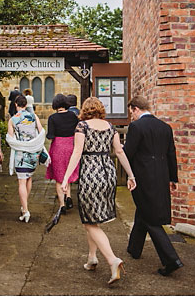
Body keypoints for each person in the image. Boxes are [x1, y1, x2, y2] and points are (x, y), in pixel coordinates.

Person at [61, 96, 136, 285]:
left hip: (90, 175)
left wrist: (66, 178)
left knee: (89, 222)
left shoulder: (82, 127)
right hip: (108, 174)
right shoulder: (110, 127)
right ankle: (92, 258)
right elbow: (119, 152)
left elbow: (77, 153)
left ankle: (112, 260)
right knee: (93, 219)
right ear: (101, 110)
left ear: (85, 111)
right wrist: (131, 175)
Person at [124, 95, 182, 277]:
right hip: (161, 176)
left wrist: (129, 174)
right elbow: (171, 154)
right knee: (143, 210)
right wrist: (173, 178)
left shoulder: (136, 126)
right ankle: (134, 248)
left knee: (150, 219)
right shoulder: (165, 127)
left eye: (131, 112)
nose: (131, 116)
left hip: (143, 176)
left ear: (135, 108)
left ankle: (171, 259)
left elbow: (128, 153)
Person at [6, 89, 45, 224]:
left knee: (22, 181)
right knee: (29, 179)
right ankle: (24, 207)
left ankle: (26, 210)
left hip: (21, 154)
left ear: (16, 104)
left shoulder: (13, 120)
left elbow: (10, 139)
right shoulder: (34, 117)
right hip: (33, 153)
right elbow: (41, 132)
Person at [47, 92, 80, 214]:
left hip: (58, 147)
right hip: (71, 147)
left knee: (59, 177)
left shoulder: (52, 118)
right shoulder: (73, 116)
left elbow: (50, 136)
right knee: (68, 173)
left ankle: (62, 205)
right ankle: (69, 197)